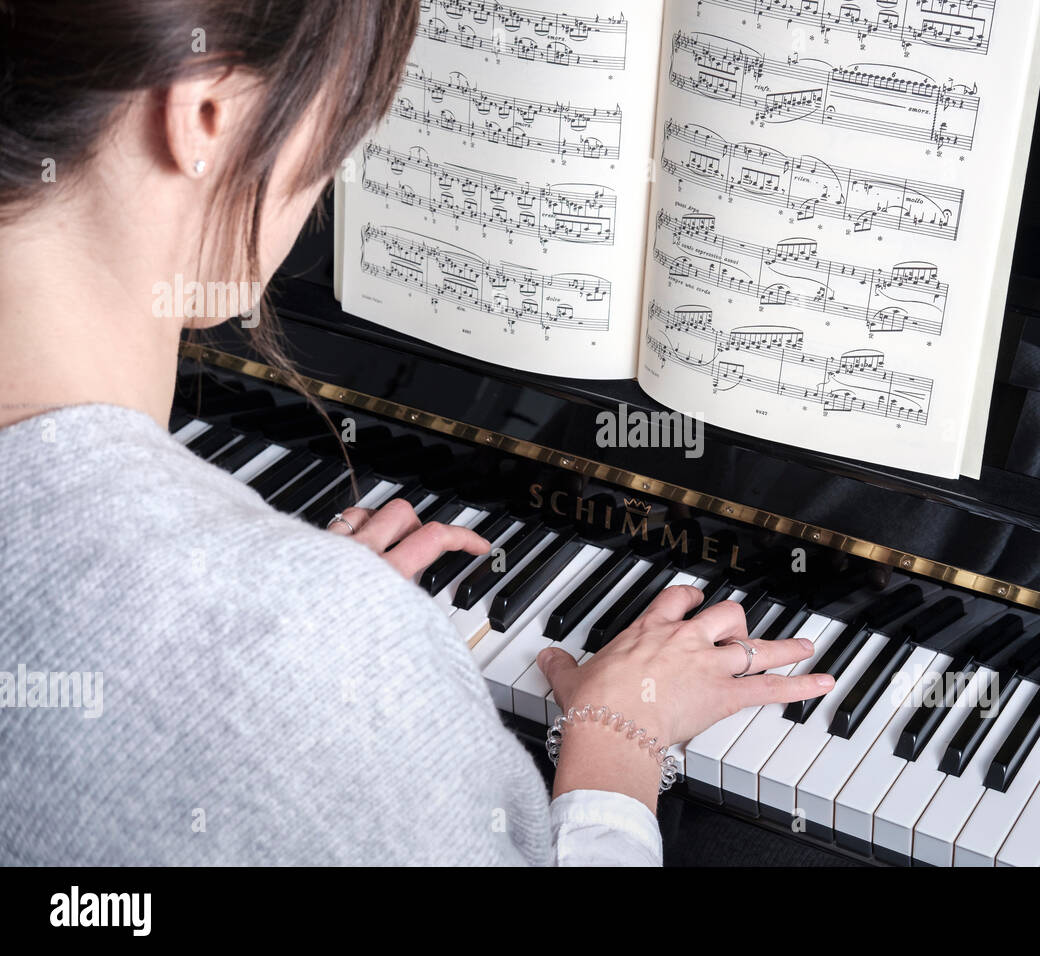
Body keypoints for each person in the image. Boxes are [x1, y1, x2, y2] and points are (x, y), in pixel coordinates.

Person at [0, 0, 831, 865]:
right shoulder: (310, 644)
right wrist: (620, 738)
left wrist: (284, 626)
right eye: (349, 113)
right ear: (205, 115)